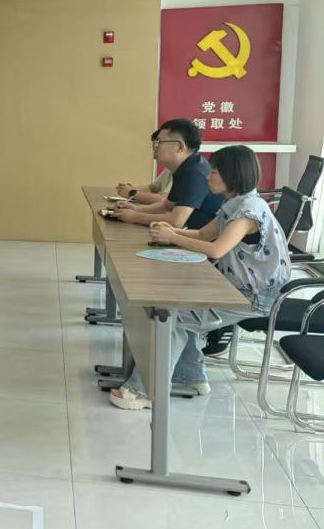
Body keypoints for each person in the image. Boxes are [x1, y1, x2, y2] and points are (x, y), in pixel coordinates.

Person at [109, 145, 291, 409]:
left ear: (233, 175)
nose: (209, 176)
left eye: (215, 172)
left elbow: (217, 249)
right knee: (181, 306)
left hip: (254, 297)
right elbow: (205, 235)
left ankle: (145, 391)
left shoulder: (248, 211)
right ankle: (190, 376)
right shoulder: (235, 203)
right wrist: (171, 231)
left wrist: (173, 237)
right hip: (236, 287)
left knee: (172, 317)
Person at [112, 118, 224, 229]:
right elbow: (167, 206)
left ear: (179, 147)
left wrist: (135, 217)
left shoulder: (195, 172)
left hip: (200, 238)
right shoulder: (186, 167)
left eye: (159, 142)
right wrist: (135, 209)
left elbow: (176, 221)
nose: (155, 148)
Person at [116, 131, 172, 205]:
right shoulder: (168, 169)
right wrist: (129, 189)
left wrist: (131, 192)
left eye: (156, 150)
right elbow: (151, 188)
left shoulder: (183, 172)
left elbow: (163, 200)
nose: (154, 156)